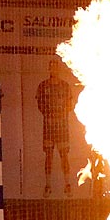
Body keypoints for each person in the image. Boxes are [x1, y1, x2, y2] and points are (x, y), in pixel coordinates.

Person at [35, 58, 76, 196]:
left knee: (64, 155)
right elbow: (40, 104)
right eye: (51, 66)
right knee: (49, 155)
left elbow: (70, 105)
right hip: (49, 126)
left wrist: (61, 114)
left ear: (58, 69)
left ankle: (68, 184)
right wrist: (50, 114)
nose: (53, 69)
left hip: (62, 127)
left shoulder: (65, 86)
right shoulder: (43, 86)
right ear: (49, 69)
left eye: (55, 67)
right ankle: (48, 185)